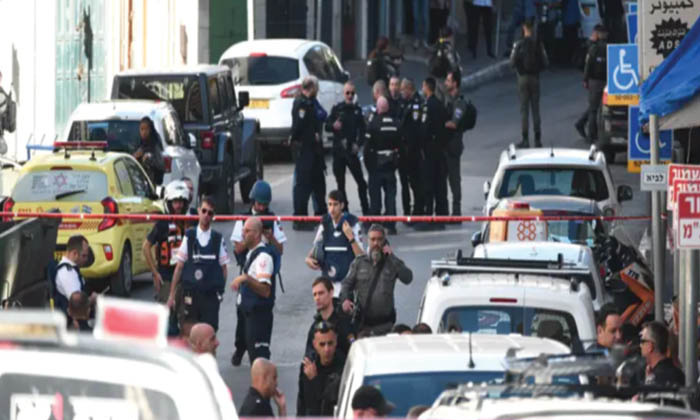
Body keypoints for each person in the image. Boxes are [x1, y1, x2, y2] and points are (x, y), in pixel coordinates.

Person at [230, 181, 286, 366]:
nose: (261, 208)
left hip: (265, 269)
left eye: (264, 204)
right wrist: (250, 236)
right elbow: (237, 249)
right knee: (242, 312)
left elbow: (280, 249)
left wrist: (270, 237)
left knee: (262, 309)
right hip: (248, 267)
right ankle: (240, 347)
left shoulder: (272, 220)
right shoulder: (243, 220)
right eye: (259, 204)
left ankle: (259, 350)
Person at [166, 197, 229, 336]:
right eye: (204, 211)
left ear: (213, 216)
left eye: (210, 213)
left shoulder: (218, 239)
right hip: (191, 296)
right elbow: (179, 267)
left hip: (210, 298)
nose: (206, 215)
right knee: (188, 334)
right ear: (199, 211)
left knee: (208, 336)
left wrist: (220, 292)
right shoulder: (189, 236)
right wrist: (171, 296)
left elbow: (224, 269)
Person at [341, 224, 413, 336]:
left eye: (379, 239)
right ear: (368, 241)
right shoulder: (359, 263)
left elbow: (408, 278)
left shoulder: (392, 263)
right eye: (373, 239)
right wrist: (345, 300)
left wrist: (392, 256)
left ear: (384, 241)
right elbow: (346, 284)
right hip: (363, 326)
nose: (376, 243)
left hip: (386, 326)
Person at [143, 180, 191, 336]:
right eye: (175, 202)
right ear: (169, 202)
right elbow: (146, 247)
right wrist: (155, 272)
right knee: (167, 322)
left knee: (186, 321)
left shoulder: (190, 223)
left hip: (185, 279)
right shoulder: (162, 224)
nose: (179, 206)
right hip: (166, 278)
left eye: (181, 202)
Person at [231, 217, 279, 363]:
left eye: (247, 231)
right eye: (243, 230)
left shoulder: (263, 257)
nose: (243, 234)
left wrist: (246, 279)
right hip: (248, 315)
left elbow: (265, 291)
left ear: (257, 234)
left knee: (259, 360)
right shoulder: (251, 253)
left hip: (259, 317)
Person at [306, 190, 364, 294]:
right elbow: (315, 249)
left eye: (335, 204)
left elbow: (361, 257)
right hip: (328, 286)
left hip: (347, 286)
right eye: (330, 204)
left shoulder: (352, 224)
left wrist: (351, 238)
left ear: (342, 205)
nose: (332, 209)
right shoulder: (325, 224)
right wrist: (308, 259)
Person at [326, 82, 370, 216]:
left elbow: (363, 130)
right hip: (339, 151)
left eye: (352, 93)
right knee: (341, 185)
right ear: (344, 94)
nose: (350, 96)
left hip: (351, 151)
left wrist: (359, 144)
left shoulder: (357, 110)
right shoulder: (337, 109)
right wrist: (334, 125)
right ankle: (344, 212)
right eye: (347, 93)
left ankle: (366, 211)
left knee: (361, 182)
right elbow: (327, 125)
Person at [291, 76, 326, 231]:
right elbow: (298, 129)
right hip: (305, 151)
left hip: (315, 152)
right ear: (312, 88)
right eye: (316, 88)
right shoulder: (301, 104)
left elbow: (322, 115)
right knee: (303, 186)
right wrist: (312, 136)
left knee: (318, 184)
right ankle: (300, 218)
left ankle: (321, 215)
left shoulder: (311, 103)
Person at [364, 96, 400, 235]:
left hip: (376, 166)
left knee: (375, 197)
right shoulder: (395, 123)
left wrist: (369, 166)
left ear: (378, 108)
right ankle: (391, 225)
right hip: (390, 165)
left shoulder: (373, 123)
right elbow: (400, 145)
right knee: (390, 196)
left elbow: (367, 148)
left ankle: (375, 224)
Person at [510, 20, 548, 148]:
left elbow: (511, 63)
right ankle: (537, 139)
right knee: (536, 109)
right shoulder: (538, 44)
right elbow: (545, 62)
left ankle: (525, 139)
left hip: (522, 78)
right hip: (535, 78)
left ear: (524, 28)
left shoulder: (518, 44)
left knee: (524, 110)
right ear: (533, 28)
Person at [417, 77, 449, 230]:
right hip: (440, 149)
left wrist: (421, 146)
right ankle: (441, 217)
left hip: (429, 150)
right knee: (440, 184)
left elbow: (424, 129)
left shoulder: (427, 106)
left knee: (428, 184)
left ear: (426, 87)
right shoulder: (440, 105)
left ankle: (429, 217)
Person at [297, 321, 346, 416]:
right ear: (314, 344)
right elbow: (302, 400)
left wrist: (314, 380)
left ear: (336, 342)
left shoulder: (343, 365)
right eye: (322, 344)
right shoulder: (309, 365)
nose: (327, 349)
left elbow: (330, 400)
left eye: (330, 343)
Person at [305, 277, 356, 357]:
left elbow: (354, 350)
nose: (317, 298)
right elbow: (308, 356)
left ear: (331, 292)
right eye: (315, 294)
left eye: (321, 293)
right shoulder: (315, 327)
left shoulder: (344, 323)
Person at [443, 70, 470, 219]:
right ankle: (445, 211)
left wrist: (440, 124)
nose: (446, 83)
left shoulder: (459, 102)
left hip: (453, 146)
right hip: (446, 145)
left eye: (448, 81)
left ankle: (456, 212)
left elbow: (454, 123)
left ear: (455, 83)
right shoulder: (449, 100)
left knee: (454, 180)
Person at [575, 25, 608, 144]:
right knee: (594, 109)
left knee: (594, 107)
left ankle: (582, 124)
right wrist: (585, 79)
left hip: (595, 80)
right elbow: (588, 64)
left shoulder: (594, 46)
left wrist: (585, 79)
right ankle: (591, 135)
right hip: (598, 80)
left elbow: (588, 64)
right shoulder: (597, 47)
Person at [398, 78, 425, 217]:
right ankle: (409, 210)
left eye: (403, 89)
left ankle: (418, 210)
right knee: (407, 182)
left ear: (409, 88)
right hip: (405, 150)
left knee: (416, 182)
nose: (401, 91)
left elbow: (415, 128)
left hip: (413, 151)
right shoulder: (404, 102)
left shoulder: (416, 104)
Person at [54, 235, 97, 320]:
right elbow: (77, 307)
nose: (86, 259)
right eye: (84, 256)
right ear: (74, 253)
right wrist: (92, 299)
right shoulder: (68, 273)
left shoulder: (71, 270)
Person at [640, 321, 685, 386]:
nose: (640, 345)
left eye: (642, 341)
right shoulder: (676, 373)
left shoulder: (658, 378)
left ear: (650, 346)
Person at [428, 27, 461, 102]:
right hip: (445, 79)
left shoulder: (437, 45)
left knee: (438, 101)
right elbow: (453, 66)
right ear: (450, 37)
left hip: (435, 77)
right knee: (449, 101)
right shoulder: (448, 49)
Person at [133, 116, 165, 186]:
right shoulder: (138, 142)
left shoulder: (155, 143)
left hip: (152, 181)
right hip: (138, 181)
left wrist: (149, 158)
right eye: (142, 129)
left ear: (150, 130)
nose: (144, 132)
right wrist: (136, 156)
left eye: (146, 129)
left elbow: (159, 163)